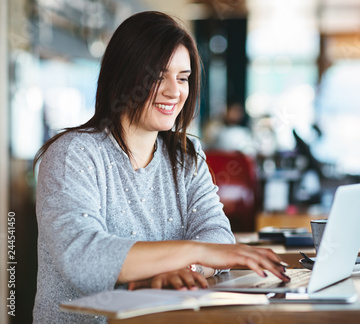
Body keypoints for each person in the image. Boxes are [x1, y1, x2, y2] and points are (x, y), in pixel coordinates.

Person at [32, 11, 289, 323]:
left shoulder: (187, 155)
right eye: (157, 77)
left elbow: (217, 235)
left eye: (182, 78)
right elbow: (84, 259)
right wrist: (198, 253)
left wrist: (186, 270)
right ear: (122, 76)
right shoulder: (74, 154)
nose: (174, 91)